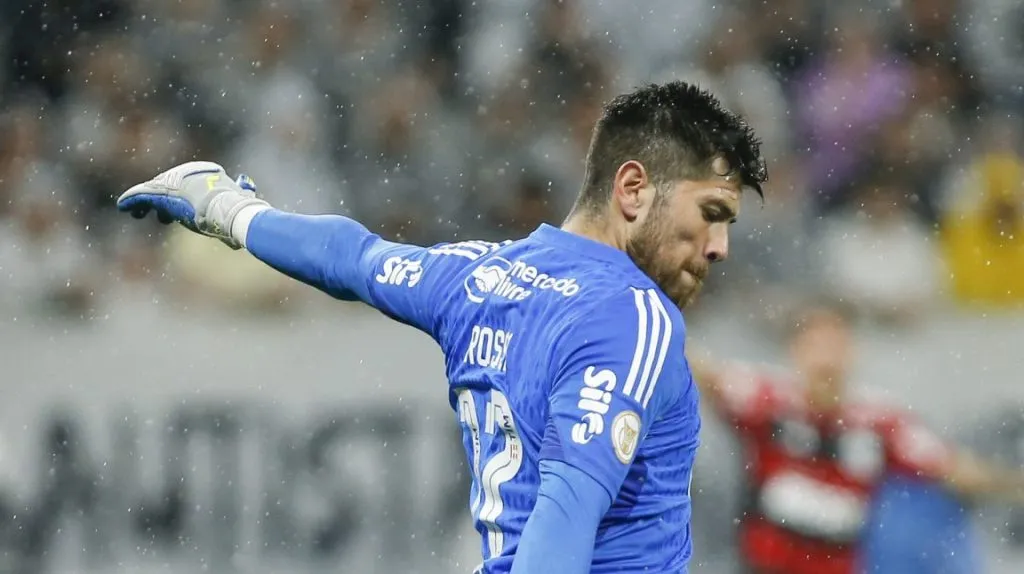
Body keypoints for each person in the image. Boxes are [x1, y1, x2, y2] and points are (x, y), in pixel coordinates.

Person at [115, 81, 769, 574]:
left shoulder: (478, 278)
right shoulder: (632, 317)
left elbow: (354, 259)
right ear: (633, 189)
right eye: (711, 212)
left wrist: (227, 207)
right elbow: (565, 511)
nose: (720, 247)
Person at [689, 305, 1024, 574]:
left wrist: (1011, 484)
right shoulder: (769, 398)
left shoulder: (880, 421)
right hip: (764, 565)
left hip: (836, 565)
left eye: (836, 346)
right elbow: (707, 375)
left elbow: (952, 468)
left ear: (852, 353)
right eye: (816, 346)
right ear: (796, 353)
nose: (827, 359)